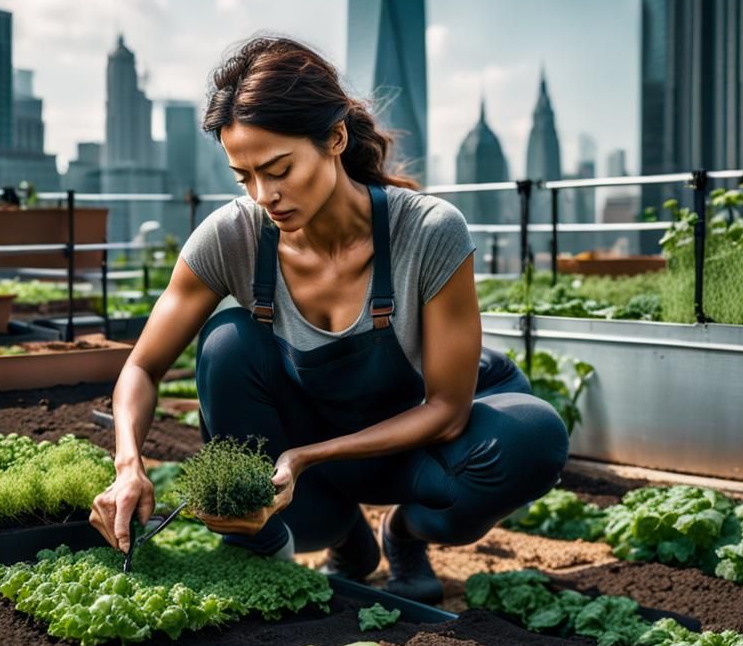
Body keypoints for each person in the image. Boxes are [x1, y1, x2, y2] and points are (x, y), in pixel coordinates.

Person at [90, 34, 569, 603]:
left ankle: (405, 533)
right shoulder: (234, 236)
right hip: (313, 458)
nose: (264, 194)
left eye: (279, 169)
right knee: (225, 343)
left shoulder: (429, 231)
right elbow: (141, 368)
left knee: (534, 438)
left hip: (418, 443)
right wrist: (128, 466)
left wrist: (305, 456)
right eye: (244, 177)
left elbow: (446, 410)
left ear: (335, 138)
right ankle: (344, 534)